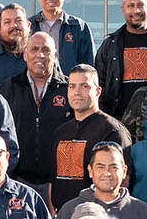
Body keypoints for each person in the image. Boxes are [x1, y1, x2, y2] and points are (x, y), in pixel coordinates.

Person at [0, 32, 71, 198]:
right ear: (25, 55)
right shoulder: (8, 88)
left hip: (58, 182)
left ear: (55, 55)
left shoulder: (69, 89)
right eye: (34, 49)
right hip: (17, 181)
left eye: (46, 50)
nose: (40, 54)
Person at [50, 64, 131, 210]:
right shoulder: (60, 131)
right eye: (72, 86)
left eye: (85, 86)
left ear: (98, 91)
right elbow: (53, 178)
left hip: (97, 218)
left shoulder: (112, 131)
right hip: (63, 215)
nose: (77, 92)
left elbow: (123, 180)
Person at [30, 0, 96, 74]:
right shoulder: (29, 26)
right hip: (35, 86)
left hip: (70, 87)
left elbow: (89, 65)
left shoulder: (79, 27)